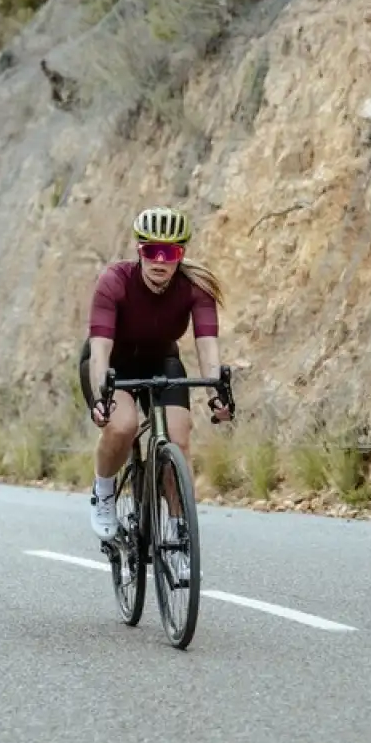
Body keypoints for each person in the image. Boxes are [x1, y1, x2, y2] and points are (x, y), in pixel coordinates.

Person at [79, 205, 233, 543]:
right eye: (151, 251)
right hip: (112, 364)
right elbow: (101, 350)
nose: (160, 261)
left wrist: (215, 395)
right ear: (139, 250)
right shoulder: (115, 281)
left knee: (178, 440)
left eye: (170, 252)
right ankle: (104, 493)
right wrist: (102, 398)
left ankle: (180, 531)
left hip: (161, 361)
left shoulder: (196, 287)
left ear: (181, 254)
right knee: (124, 425)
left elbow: (208, 347)